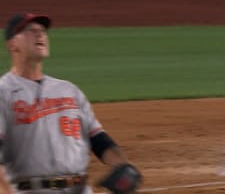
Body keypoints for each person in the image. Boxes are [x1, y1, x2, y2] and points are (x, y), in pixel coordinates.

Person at [0, 13, 142, 193]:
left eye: (43, 31)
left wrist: (121, 165)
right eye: (31, 31)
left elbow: (98, 140)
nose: (40, 35)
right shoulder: (3, 92)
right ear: (12, 44)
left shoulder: (69, 90)